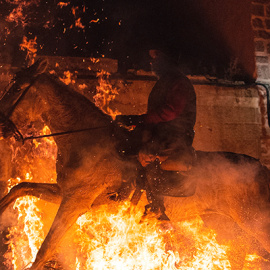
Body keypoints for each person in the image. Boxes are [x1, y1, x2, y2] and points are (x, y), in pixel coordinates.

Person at [115, 49, 197, 219]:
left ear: (167, 59)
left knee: (149, 156)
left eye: (156, 58)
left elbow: (170, 112)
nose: (152, 63)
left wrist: (139, 119)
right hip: (161, 132)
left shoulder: (179, 82)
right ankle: (127, 188)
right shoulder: (165, 82)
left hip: (175, 135)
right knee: (124, 145)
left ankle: (156, 207)